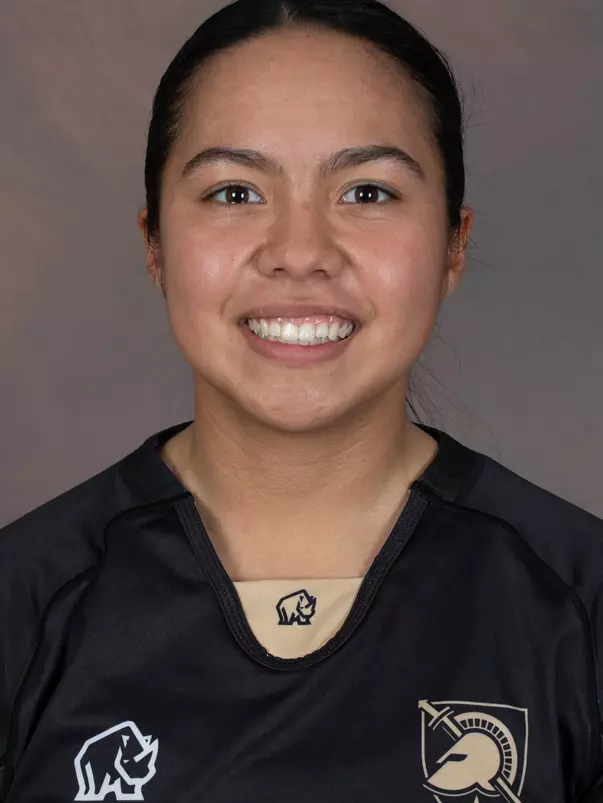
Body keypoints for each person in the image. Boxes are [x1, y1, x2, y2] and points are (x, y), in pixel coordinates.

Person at [1, 0, 602, 800]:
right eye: (234, 193)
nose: (299, 253)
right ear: (153, 242)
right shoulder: (26, 604)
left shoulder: (576, 605)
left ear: (454, 243)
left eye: (366, 192)